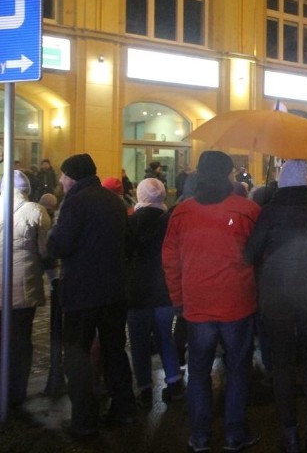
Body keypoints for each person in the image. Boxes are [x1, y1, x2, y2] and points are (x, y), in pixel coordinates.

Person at [162, 150, 261, 453]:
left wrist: (179, 300)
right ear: (229, 175)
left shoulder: (182, 212)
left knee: (199, 371)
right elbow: (258, 256)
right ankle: (234, 434)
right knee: (237, 369)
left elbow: (170, 261)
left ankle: (201, 435)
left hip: (198, 305)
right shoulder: (248, 210)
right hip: (237, 303)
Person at [244, 160, 307, 452]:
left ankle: (290, 433)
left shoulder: (269, 213)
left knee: (282, 363)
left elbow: (249, 254)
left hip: (277, 294)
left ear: (281, 182)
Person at [47, 153, 137, 440]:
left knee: (77, 356)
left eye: (63, 175)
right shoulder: (114, 201)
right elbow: (127, 243)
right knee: (114, 351)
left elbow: (59, 245)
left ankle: (83, 421)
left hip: (83, 293)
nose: (60, 180)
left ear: (72, 176)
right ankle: (124, 409)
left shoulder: (75, 202)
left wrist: (51, 238)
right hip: (114, 291)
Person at [126, 178, 184, 408]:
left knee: (138, 342)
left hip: (136, 292)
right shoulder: (169, 221)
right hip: (164, 289)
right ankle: (173, 381)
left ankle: (144, 387)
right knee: (164, 337)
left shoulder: (130, 222)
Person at [0, 170, 52, 406]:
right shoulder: (35, 210)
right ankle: (16, 390)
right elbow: (45, 249)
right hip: (24, 287)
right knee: (20, 338)